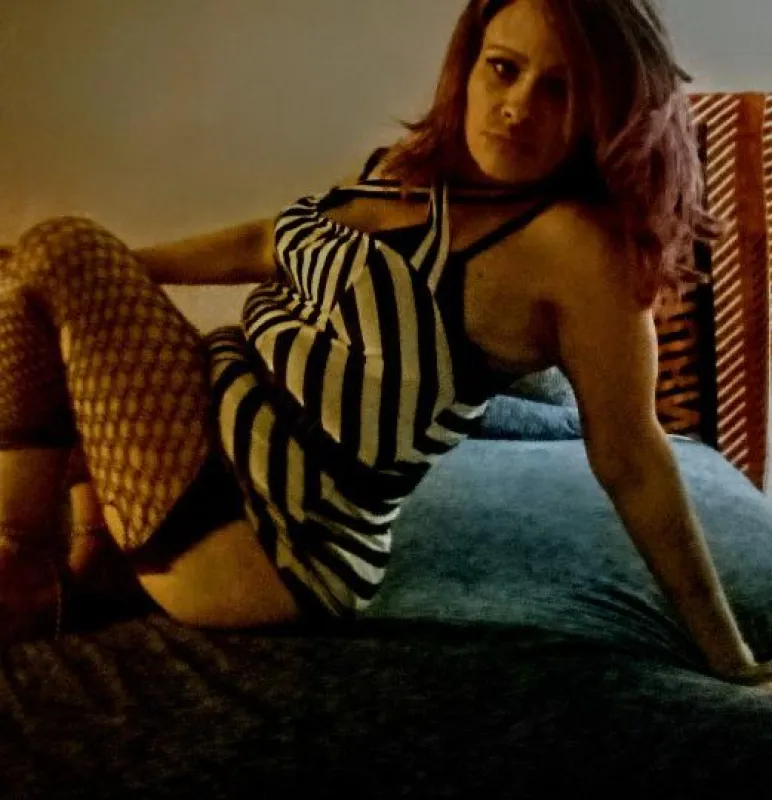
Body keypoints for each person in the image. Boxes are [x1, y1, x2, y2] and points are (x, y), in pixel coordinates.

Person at [1, 0, 771, 688]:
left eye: (560, 90)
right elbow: (266, 242)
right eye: (504, 69)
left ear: (605, 110)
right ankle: (89, 558)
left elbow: (634, 460)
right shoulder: (412, 171)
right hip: (209, 437)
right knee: (47, 268)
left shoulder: (575, 250)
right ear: (469, 64)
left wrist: (727, 654)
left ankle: (20, 566)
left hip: (258, 539)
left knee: (63, 244)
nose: (516, 107)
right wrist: (94, 281)